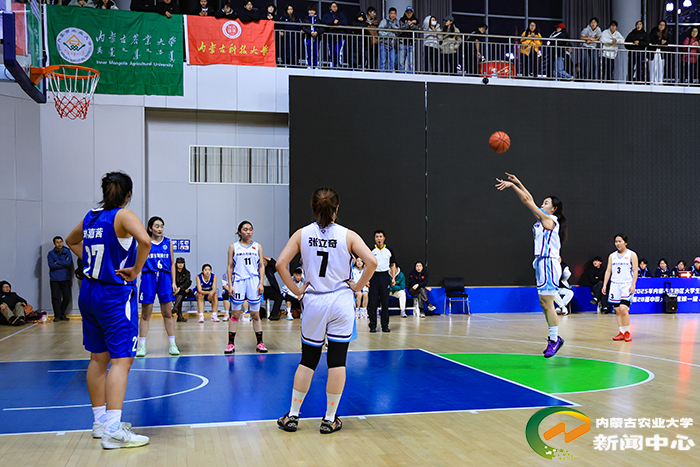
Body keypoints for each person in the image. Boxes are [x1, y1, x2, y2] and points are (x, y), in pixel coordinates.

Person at [276, 187, 377, 435]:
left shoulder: (302, 234)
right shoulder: (347, 235)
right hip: (340, 300)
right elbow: (372, 262)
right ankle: (330, 419)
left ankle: (293, 416)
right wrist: (358, 286)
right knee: (337, 361)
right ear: (337, 208)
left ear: (312, 207)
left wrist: (296, 290)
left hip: (314, 300)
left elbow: (280, 264)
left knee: (308, 360)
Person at [64, 171, 151, 449]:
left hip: (88, 292)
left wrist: (93, 263)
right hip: (113, 294)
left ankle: (100, 422)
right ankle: (113, 430)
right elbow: (146, 241)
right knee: (122, 360)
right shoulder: (123, 216)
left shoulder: (91, 216)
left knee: (98, 358)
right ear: (128, 194)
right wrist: (135, 270)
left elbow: (71, 240)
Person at [495, 172, 567, 358]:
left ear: (554, 208)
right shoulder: (542, 219)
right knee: (544, 303)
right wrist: (519, 182)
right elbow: (531, 199)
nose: (542, 204)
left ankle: (555, 339)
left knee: (548, 304)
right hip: (541, 264)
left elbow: (527, 201)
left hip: (549, 263)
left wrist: (512, 186)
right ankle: (554, 337)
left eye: (546, 203)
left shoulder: (551, 220)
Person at [136, 217, 179, 357]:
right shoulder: (144, 242)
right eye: (157, 226)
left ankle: (172, 344)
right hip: (148, 277)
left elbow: (172, 263)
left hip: (165, 278)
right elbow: (137, 262)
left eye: (161, 226)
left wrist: (173, 282)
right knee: (146, 314)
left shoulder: (168, 242)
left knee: (167, 313)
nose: (160, 229)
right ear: (150, 228)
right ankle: (142, 346)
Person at [224, 221, 267, 354]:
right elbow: (230, 266)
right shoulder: (233, 247)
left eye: (250, 229)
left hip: (253, 281)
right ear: (239, 232)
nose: (248, 232)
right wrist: (230, 285)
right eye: (245, 229)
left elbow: (261, 265)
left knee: (255, 314)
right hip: (239, 281)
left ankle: (260, 343)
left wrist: (261, 283)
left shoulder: (257, 246)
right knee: (235, 314)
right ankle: (230, 344)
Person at [602, 234, 638, 342]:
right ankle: (621, 332)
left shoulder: (631, 254)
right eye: (616, 241)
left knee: (623, 309)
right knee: (617, 310)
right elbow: (608, 270)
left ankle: (627, 332)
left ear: (625, 242)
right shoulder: (612, 256)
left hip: (626, 284)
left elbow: (635, 270)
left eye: (620, 241)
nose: (617, 243)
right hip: (615, 284)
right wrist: (605, 284)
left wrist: (633, 285)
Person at [368, 229, 393, 332]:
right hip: (374, 276)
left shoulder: (389, 250)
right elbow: (367, 265)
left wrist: (393, 278)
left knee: (385, 302)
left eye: (380, 237)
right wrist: (367, 279)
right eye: (377, 237)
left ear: (384, 238)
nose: (379, 238)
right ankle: (372, 325)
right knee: (373, 303)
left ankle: (385, 325)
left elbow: (393, 264)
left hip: (385, 276)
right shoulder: (371, 251)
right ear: (374, 238)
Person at [48, 235, 73, 322]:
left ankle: (61, 313)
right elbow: (51, 265)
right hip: (54, 279)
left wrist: (57, 262)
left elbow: (68, 263)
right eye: (57, 242)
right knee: (56, 298)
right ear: (54, 244)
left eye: (61, 242)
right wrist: (63, 263)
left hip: (65, 278)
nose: (59, 244)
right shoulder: (51, 253)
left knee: (67, 297)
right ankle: (57, 316)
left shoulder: (67, 252)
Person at [322, 2, 347, 68]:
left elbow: (344, 22)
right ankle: (332, 64)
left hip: (339, 35)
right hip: (331, 36)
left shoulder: (340, 15)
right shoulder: (327, 15)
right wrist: (332, 22)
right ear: (330, 7)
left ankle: (338, 64)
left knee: (337, 51)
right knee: (331, 51)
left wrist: (336, 24)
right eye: (333, 6)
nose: (334, 8)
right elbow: (324, 21)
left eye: (335, 6)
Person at [398, 6, 420, 73]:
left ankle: (410, 73)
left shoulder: (416, 20)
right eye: (407, 12)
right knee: (401, 61)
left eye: (410, 12)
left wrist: (411, 24)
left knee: (410, 61)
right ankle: (401, 74)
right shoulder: (402, 19)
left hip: (411, 43)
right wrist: (408, 24)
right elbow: (401, 28)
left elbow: (418, 28)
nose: (409, 14)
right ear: (405, 12)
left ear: (412, 13)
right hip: (403, 42)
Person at [262, 255, 284, 320]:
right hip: (259, 289)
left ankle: (274, 315)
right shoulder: (256, 269)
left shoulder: (269, 269)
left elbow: (276, 266)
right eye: (262, 262)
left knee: (279, 297)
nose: (263, 263)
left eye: (265, 262)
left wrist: (269, 259)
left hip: (268, 289)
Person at [378, 7, 400, 72]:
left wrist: (395, 33)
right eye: (391, 13)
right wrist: (389, 34)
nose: (393, 15)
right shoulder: (384, 21)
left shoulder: (397, 22)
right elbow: (380, 31)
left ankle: (391, 74)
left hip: (393, 45)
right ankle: (382, 74)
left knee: (392, 61)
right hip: (384, 43)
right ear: (388, 14)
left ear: (396, 14)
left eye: (394, 13)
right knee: (383, 61)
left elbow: (399, 32)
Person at [172, 257, 192, 322]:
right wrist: (175, 289)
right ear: (176, 264)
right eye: (179, 263)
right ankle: (179, 315)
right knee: (179, 295)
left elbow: (188, 282)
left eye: (182, 263)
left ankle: (175, 307)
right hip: (174, 290)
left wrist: (180, 288)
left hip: (183, 290)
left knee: (181, 291)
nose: (180, 264)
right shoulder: (173, 272)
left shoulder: (187, 273)